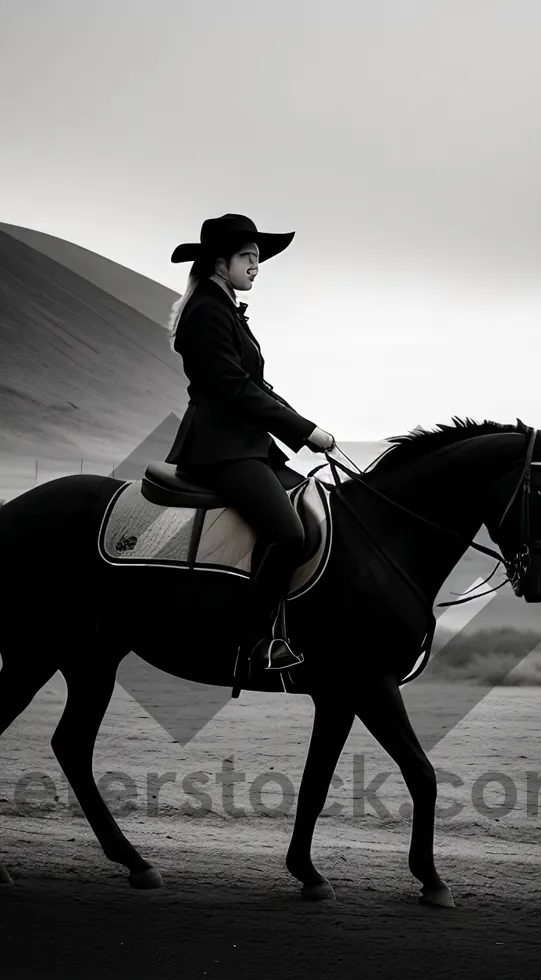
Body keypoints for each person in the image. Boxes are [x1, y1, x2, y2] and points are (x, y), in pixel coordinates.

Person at [166, 213, 336, 672]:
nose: (256, 265)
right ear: (220, 263)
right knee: (287, 532)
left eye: (258, 258)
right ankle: (252, 640)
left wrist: (307, 427)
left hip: (245, 445)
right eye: (248, 256)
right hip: (219, 448)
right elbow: (233, 389)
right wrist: (305, 432)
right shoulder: (205, 311)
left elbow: (254, 386)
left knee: (311, 508)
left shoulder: (222, 308)